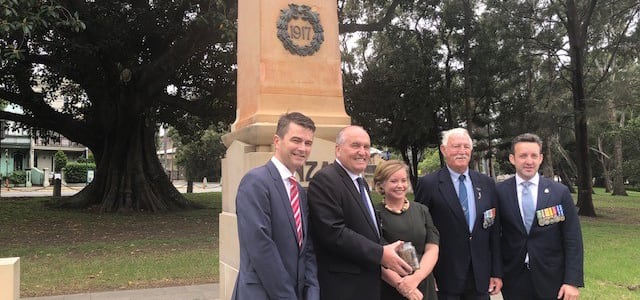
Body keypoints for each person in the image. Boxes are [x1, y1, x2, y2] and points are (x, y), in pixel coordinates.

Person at [307, 125, 413, 300]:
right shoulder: (325, 180)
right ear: (338, 149)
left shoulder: (360, 182)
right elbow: (333, 233)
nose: (362, 152)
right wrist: (380, 254)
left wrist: (393, 250)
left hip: (367, 285)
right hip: (343, 288)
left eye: (366, 147)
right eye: (355, 146)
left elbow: (368, 230)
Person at [232, 112, 319, 300]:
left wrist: (312, 293)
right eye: (296, 140)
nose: (302, 148)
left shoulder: (300, 192)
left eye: (308, 143)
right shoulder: (255, 182)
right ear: (277, 141)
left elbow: (307, 248)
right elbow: (261, 248)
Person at [414, 127, 503, 300]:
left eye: (466, 146)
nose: (461, 151)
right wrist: (425, 272)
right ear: (444, 150)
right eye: (456, 146)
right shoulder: (429, 184)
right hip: (444, 276)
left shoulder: (486, 183)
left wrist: (496, 272)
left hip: (480, 277)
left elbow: (493, 231)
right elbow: (420, 230)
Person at [496, 133, 584, 300]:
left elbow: (572, 239)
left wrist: (572, 281)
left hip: (552, 279)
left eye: (534, 156)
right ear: (512, 159)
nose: (529, 161)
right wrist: (496, 273)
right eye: (523, 156)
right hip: (513, 279)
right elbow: (494, 236)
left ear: (541, 158)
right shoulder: (499, 192)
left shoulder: (559, 193)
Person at [374, 159, 440, 300]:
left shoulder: (422, 210)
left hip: (423, 285)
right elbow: (376, 256)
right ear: (381, 184)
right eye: (394, 181)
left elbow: (432, 248)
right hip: (393, 287)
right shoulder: (374, 214)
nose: (400, 185)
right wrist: (402, 286)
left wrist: (416, 279)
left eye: (404, 180)